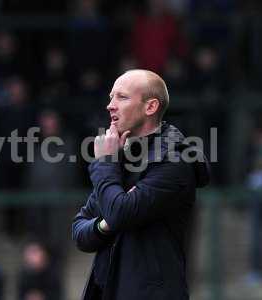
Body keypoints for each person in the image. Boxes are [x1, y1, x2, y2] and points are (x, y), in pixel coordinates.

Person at [72, 69, 210, 300]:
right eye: (110, 97)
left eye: (122, 97)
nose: (110, 106)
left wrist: (105, 161)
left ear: (150, 107)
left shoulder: (175, 161)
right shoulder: (122, 157)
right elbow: (80, 233)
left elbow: (119, 212)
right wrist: (107, 223)